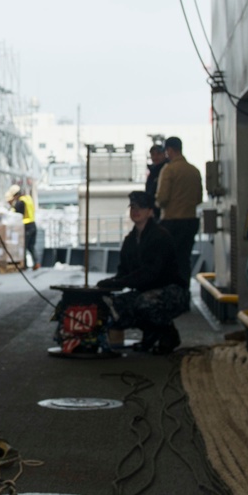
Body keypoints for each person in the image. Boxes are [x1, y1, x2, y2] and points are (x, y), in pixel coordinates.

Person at [97, 191, 189, 354]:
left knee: (145, 303)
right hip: (145, 291)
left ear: (150, 211)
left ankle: (168, 334)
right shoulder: (130, 241)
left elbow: (151, 273)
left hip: (172, 291)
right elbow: (123, 272)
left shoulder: (160, 236)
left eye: (141, 207)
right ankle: (151, 334)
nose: (135, 211)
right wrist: (108, 287)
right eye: (132, 207)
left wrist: (120, 282)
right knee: (114, 307)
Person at [155, 135, 203, 282]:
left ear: (169, 150)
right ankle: (184, 291)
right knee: (184, 259)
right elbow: (198, 199)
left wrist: (156, 204)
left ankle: (171, 293)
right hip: (190, 222)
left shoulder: (169, 170)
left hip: (172, 222)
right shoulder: (194, 170)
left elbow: (162, 198)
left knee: (168, 260)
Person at [5, 183, 39, 269]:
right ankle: (36, 263)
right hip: (33, 224)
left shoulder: (20, 202)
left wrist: (11, 208)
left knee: (23, 246)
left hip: (26, 226)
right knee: (31, 246)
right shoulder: (28, 198)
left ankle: (24, 265)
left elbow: (17, 215)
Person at [145, 143, 167, 219]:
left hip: (163, 210)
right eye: (153, 154)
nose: (155, 157)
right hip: (153, 209)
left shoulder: (167, 170)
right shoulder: (153, 171)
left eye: (158, 154)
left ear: (164, 154)